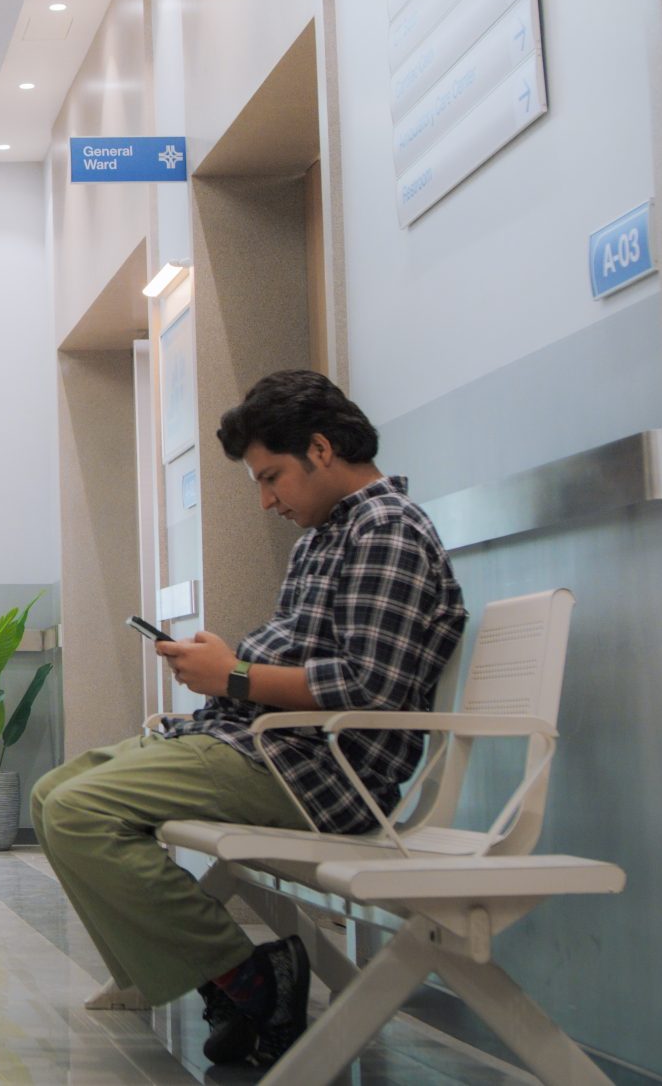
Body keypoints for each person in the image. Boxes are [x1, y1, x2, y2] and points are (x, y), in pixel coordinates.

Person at [30, 370, 467, 1067]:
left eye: (272, 478)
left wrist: (232, 674)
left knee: (81, 810)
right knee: (50, 794)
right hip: (266, 746)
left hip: (320, 772)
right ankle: (230, 981)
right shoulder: (327, 536)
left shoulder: (386, 530)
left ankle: (248, 980)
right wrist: (229, 665)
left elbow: (370, 689)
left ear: (321, 450)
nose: (266, 500)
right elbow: (308, 657)